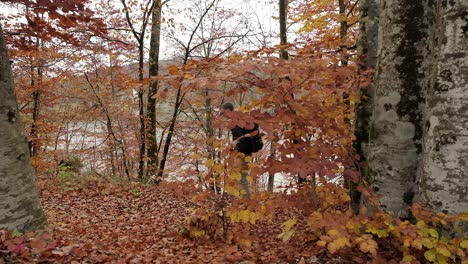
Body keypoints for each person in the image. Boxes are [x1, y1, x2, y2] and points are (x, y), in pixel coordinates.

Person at [221, 102, 260, 199]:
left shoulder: (237, 121)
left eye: (223, 113)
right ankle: (241, 200)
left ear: (228, 110)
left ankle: (246, 202)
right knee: (239, 176)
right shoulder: (237, 119)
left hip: (244, 152)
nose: (223, 116)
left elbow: (243, 137)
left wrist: (236, 143)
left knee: (242, 177)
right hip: (243, 152)